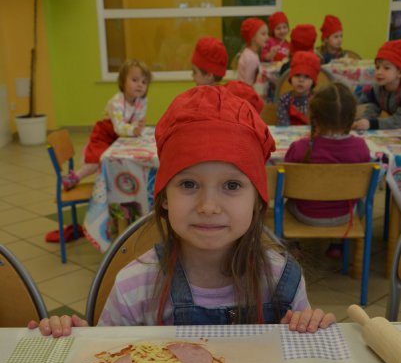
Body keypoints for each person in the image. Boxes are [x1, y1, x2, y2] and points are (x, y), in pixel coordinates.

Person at [29, 86, 335, 336]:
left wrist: (309, 326)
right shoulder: (134, 286)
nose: (208, 206)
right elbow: (104, 360)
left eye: (231, 185)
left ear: (257, 199)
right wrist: (79, 340)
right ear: (164, 196)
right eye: (189, 184)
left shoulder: (282, 281)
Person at [285, 82, 370, 241]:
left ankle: (294, 246)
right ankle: (337, 245)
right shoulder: (360, 147)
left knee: (287, 202)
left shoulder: (300, 147)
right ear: (351, 116)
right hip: (344, 216)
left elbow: (286, 183)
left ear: (314, 117)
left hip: (305, 214)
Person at [62, 59, 151, 190]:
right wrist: (134, 129)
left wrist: (138, 125)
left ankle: (118, 186)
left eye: (144, 82)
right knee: (99, 159)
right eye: (135, 80)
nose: (140, 85)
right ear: (123, 81)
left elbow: (136, 121)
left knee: (126, 159)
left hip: (120, 136)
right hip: (104, 135)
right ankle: (75, 177)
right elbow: (119, 127)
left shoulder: (141, 101)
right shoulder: (116, 102)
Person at [353, 40, 401, 130]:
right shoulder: (377, 89)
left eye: (386, 68)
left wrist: (372, 124)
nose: (379, 72)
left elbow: (398, 121)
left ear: (399, 72)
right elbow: (371, 109)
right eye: (377, 67)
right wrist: (363, 121)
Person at [277, 51, 321, 126]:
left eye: (306, 77)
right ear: (291, 78)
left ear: (313, 82)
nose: (301, 80)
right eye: (297, 75)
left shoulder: (318, 100)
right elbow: (283, 124)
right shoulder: (284, 100)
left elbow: (319, 125)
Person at [237, 18, 269, 85]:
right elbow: (248, 84)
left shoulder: (251, 53)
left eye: (267, 34)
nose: (267, 37)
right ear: (253, 37)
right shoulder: (251, 58)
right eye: (263, 34)